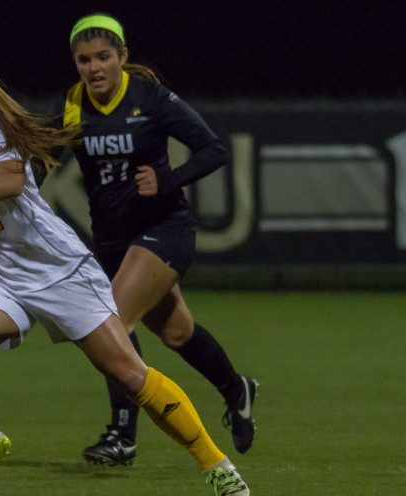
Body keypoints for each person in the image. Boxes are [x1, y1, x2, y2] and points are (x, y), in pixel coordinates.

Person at [0, 43, 250, 496]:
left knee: (128, 373)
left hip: (59, 270)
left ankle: (215, 464)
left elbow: (9, 180)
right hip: (5, 280)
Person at [56, 14, 259, 466]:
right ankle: (237, 389)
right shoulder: (74, 102)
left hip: (165, 229)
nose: (94, 68)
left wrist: (169, 180)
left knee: (111, 321)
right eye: (84, 59)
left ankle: (122, 436)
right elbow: (46, 154)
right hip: (112, 239)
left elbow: (213, 149)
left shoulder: (151, 97)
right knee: (176, 331)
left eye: (104, 57)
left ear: (123, 57)